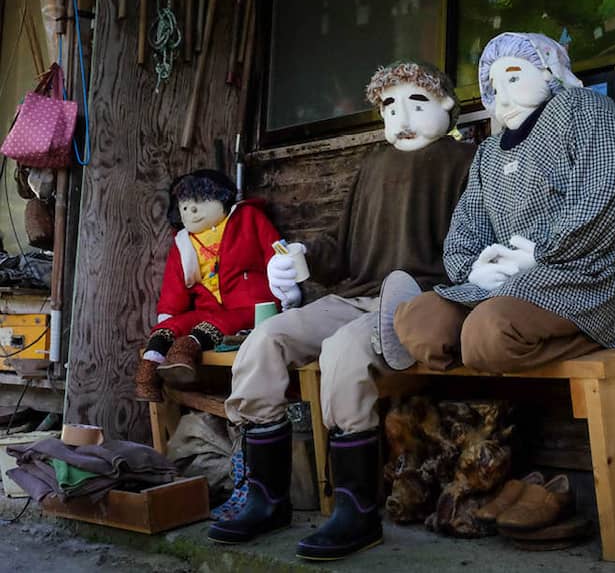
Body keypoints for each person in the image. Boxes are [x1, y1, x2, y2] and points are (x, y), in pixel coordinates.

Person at [207, 62, 475, 561]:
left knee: (344, 353)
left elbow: (477, 241)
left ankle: (355, 508)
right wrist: (303, 257)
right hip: (357, 295)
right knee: (264, 341)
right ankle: (267, 497)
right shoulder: (373, 166)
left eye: (418, 101)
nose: (403, 116)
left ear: (446, 106)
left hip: (420, 302)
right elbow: (341, 248)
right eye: (390, 106)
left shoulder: (467, 161)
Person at [388, 32, 615, 375]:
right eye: (494, 83)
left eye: (514, 77)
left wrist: (540, 254)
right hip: (499, 283)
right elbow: (467, 223)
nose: (502, 95)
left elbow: (607, 184)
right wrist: (474, 268)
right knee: (419, 323)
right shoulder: (490, 152)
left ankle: (597, 332)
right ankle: (479, 342)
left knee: (487, 335)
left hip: (575, 275)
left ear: (548, 72)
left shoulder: (583, 109)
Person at [134, 169, 280, 402]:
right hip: (209, 308)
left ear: (222, 198)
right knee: (173, 324)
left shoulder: (247, 218)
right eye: (184, 206)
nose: (191, 211)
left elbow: (276, 252)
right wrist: (168, 317)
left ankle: (184, 352)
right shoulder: (183, 243)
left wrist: (285, 284)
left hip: (252, 305)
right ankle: (148, 373)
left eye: (200, 201)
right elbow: (175, 288)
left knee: (215, 323)